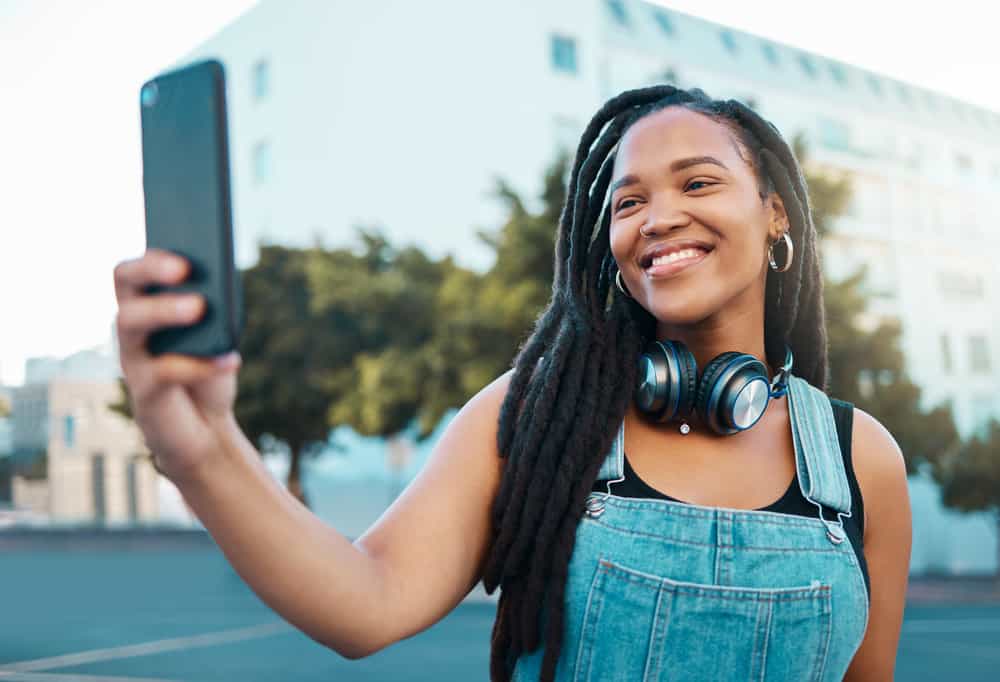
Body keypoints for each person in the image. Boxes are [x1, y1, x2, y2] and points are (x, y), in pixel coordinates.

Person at [112, 84, 911, 681]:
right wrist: (202, 452)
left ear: (776, 213)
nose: (657, 217)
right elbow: (365, 602)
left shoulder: (858, 458)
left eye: (697, 183)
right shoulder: (539, 412)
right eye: (627, 200)